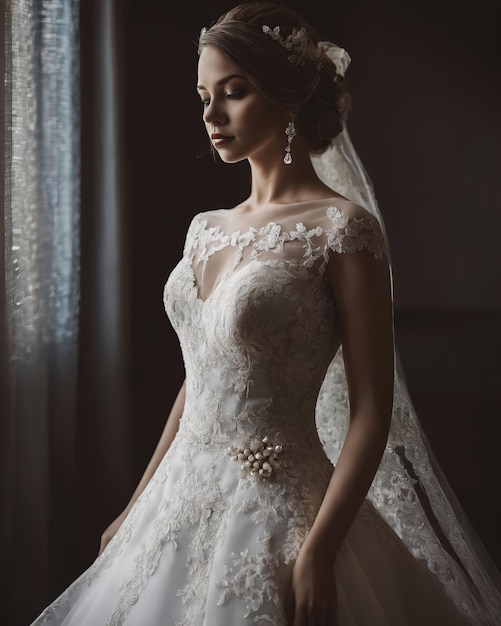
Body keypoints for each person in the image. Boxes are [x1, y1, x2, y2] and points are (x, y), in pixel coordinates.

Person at [30, 3, 501, 625]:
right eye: (203, 95)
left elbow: (370, 414)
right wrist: (136, 502)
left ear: (284, 96)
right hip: (174, 504)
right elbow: (201, 380)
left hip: (283, 508)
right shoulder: (205, 230)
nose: (211, 114)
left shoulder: (342, 230)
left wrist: (319, 552)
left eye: (234, 92)